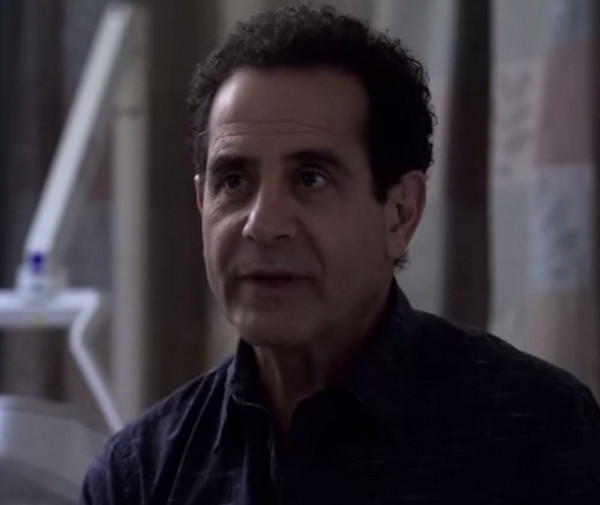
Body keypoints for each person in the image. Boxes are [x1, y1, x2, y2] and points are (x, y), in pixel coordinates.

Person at [80, 5, 600, 504]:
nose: (262, 224)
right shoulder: (140, 475)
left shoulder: (537, 434)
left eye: (311, 178)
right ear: (202, 204)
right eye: (234, 181)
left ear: (399, 213)